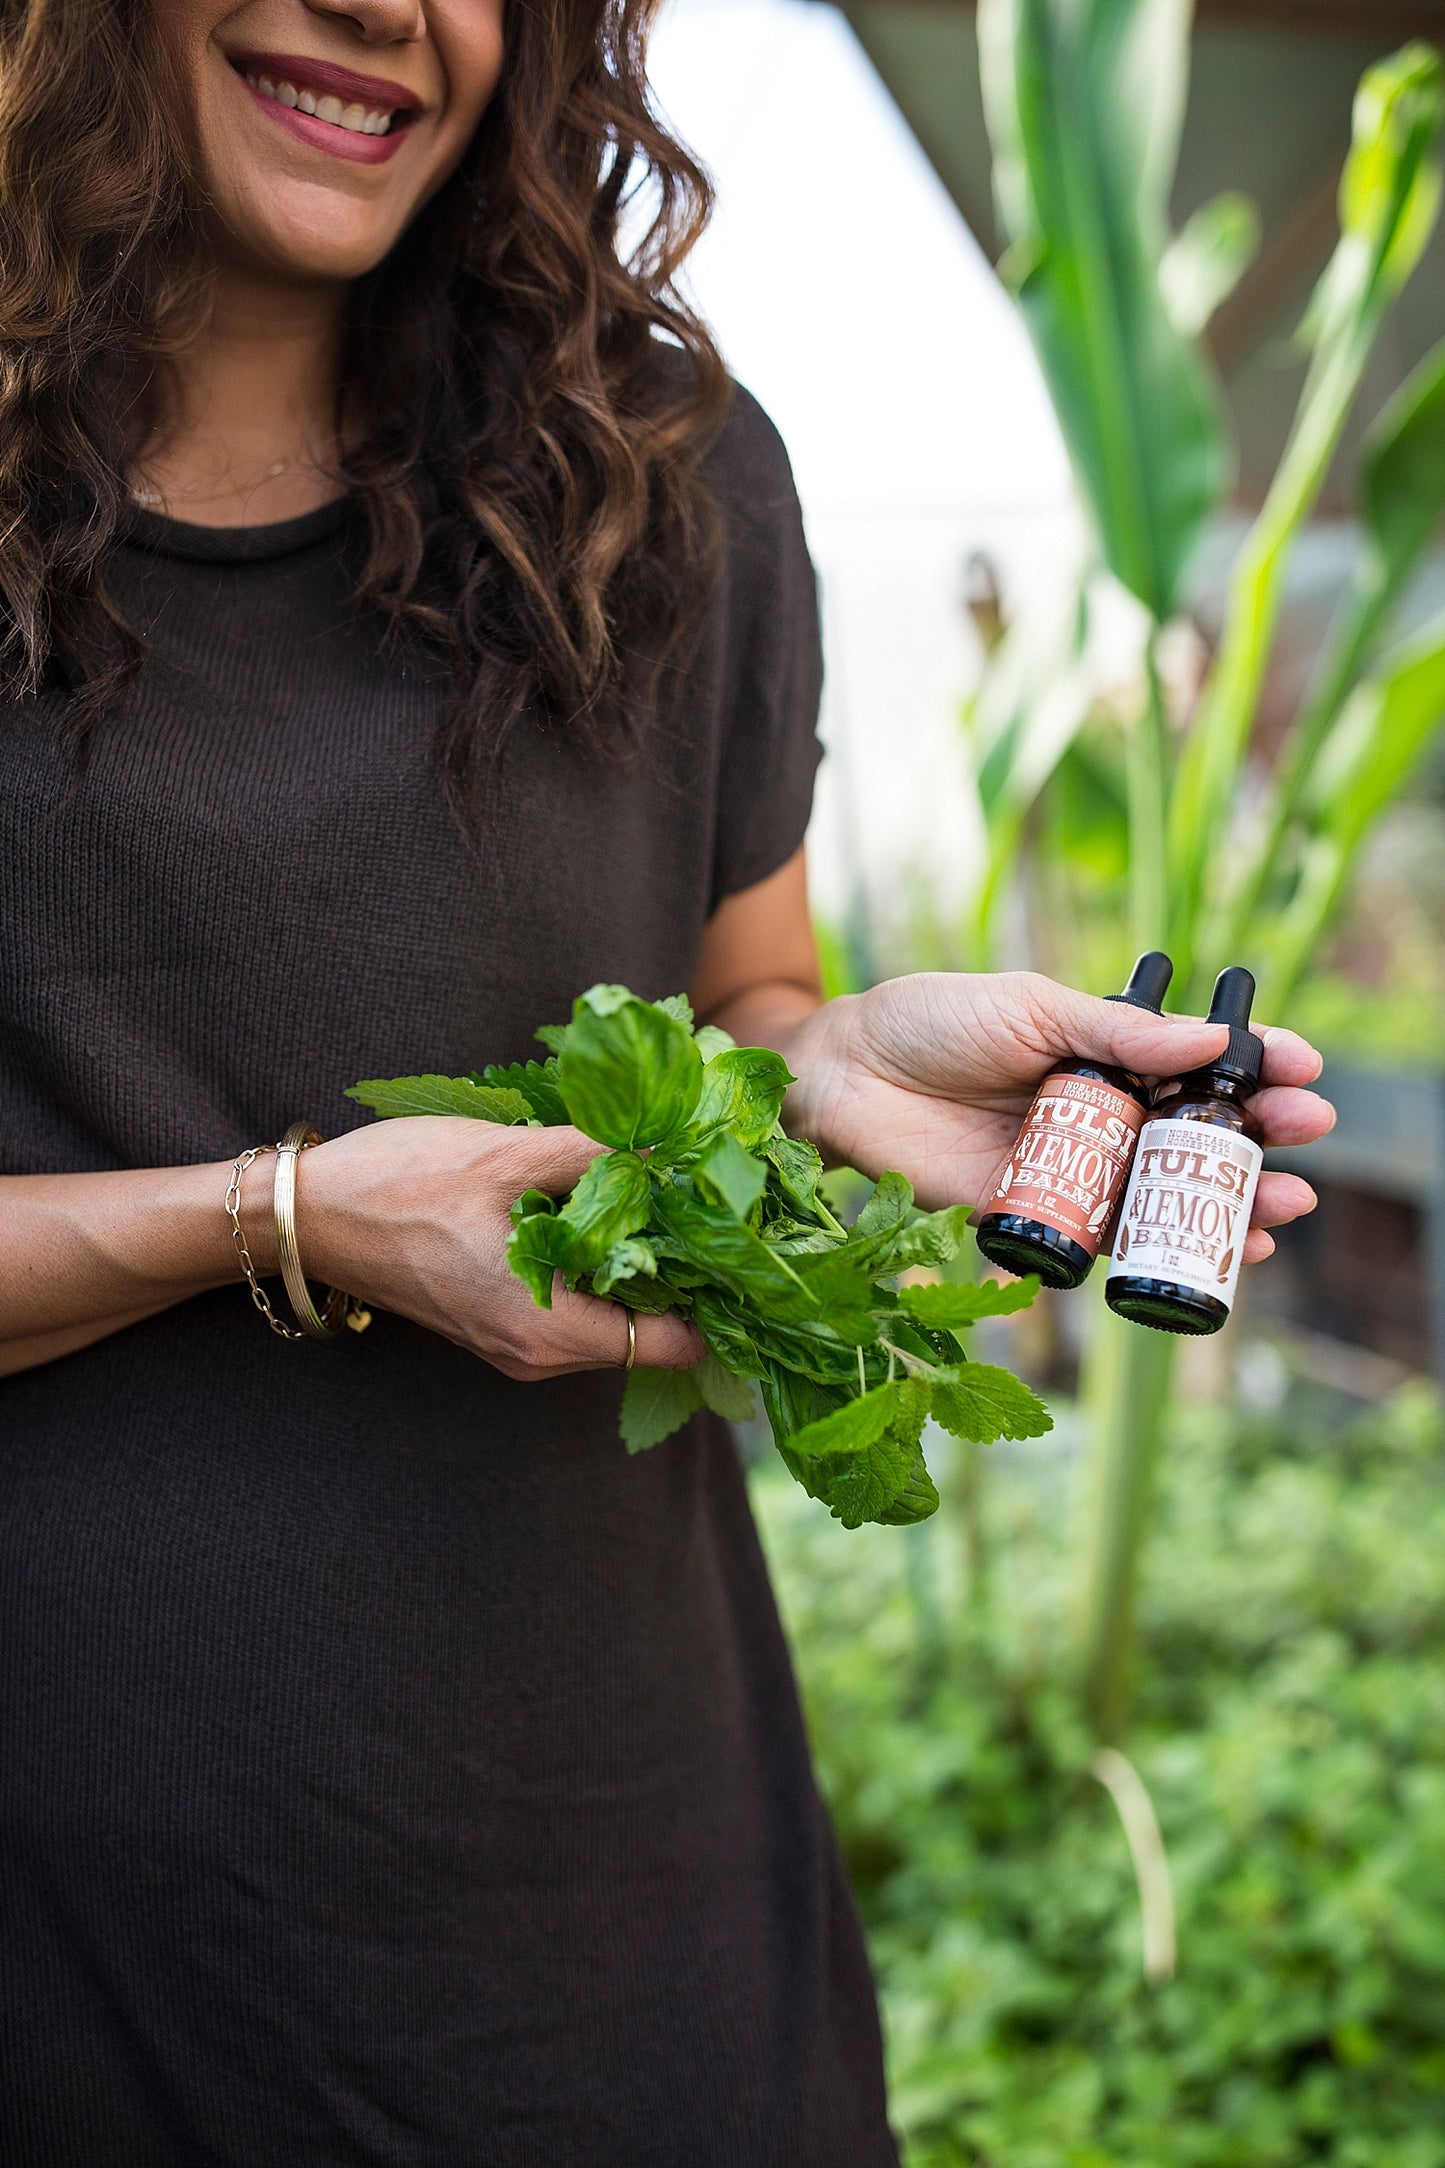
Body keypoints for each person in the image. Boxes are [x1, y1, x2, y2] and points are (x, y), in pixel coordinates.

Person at [0, 0, 1332, 2159]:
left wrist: (825, 1072)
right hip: (88, 1955)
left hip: (618, 1917)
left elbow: (741, 993)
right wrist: (286, 1215)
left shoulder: (658, 471)